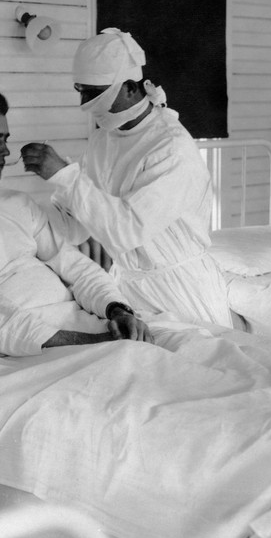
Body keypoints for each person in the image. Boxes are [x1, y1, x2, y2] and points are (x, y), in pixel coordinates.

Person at [0, 84, 153, 356]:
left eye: (5, 140)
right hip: (24, 348)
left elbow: (77, 268)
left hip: (80, 322)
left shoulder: (18, 203)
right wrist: (97, 342)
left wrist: (118, 310)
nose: (5, 151)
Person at [20, 28, 233, 329]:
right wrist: (21, 218)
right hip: (128, 288)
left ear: (131, 88)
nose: (85, 103)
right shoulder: (102, 141)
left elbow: (127, 230)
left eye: (94, 94)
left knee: (201, 356)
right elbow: (77, 223)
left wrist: (66, 175)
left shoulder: (170, 147)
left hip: (182, 290)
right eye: (81, 91)